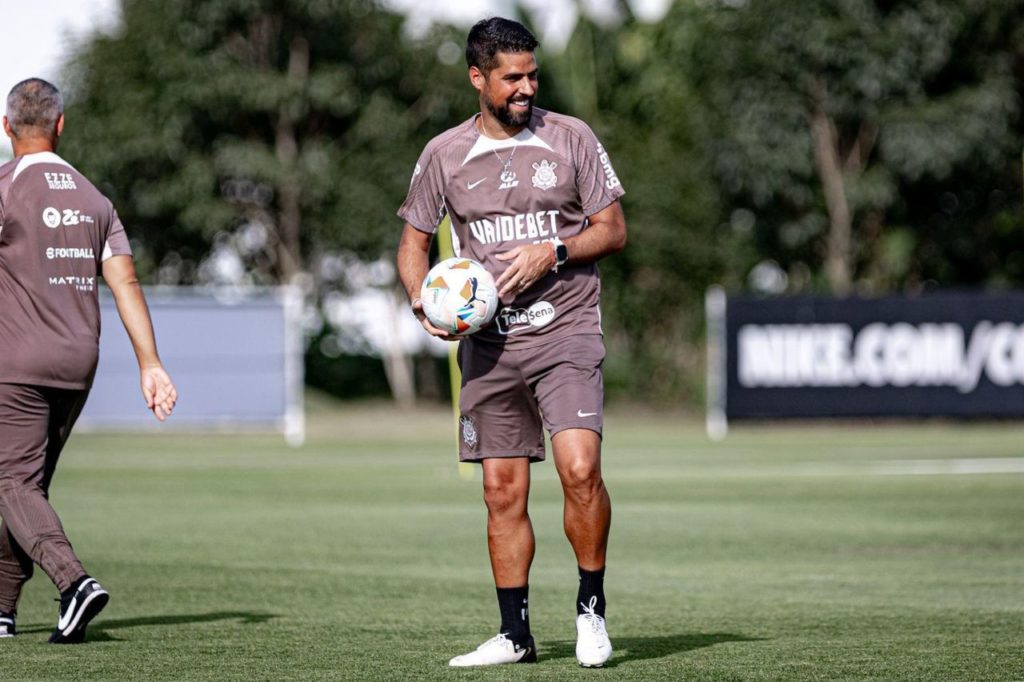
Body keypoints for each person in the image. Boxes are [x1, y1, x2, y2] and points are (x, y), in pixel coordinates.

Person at [396, 17, 626, 668]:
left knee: (580, 469)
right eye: (512, 77)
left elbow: (612, 229)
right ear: (478, 78)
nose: (527, 86)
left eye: (532, 74)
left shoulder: (572, 137)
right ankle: (514, 635)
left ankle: (589, 609)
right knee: (502, 491)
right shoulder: (443, 154)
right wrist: (422, 303)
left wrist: (553, 248)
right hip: (489, 346)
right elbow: (413, 243)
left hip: (566, 328)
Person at [0, 78, 177, 644]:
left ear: (6, 128)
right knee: (26, 484)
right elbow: (124, 280)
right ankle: (2, 611)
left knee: (12, 481)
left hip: (17, 362)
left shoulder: (6, 188)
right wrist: (151, 364)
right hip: (79, 363)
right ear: (60, 124)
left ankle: (73, 582)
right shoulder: (93, 198)